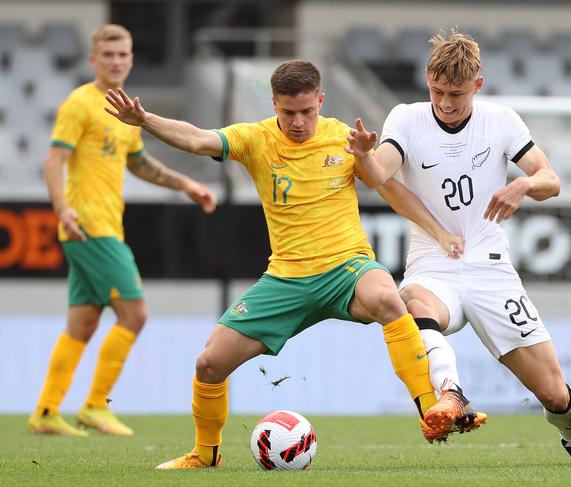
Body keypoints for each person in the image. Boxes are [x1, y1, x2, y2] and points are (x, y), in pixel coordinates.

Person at [104, 59, 486, 469]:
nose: (299, 121)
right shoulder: (256, 139)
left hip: (347, 270)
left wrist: (438, 231)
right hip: (286, 280)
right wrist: (144, 119)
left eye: (308, 111)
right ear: (274, 105)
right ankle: (206, 454)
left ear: (321, 101)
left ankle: (432, 411)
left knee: (389, 298)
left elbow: (387, 187)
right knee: (209, 363)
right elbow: (198, 139)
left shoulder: (345, 138)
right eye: (289, 113)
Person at [346, 30, 571, 465]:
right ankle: (451, 395)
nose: (445, 103)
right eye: (437, 91)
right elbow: (380, 174)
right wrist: (363, 156)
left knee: (552, 390)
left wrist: (524, 184)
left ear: (478, 85)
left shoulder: (501, 121)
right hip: (434, 260)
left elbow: (551, 180)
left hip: (491, 268)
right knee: (412, 301)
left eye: (456, 93)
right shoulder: (406, 118)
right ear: (427, 80)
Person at [27, 24, 217, 437]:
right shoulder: (80, 104)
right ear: (93, 59)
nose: (115, 61)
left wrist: (187, 184)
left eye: (122, 54)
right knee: (135, 314)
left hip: (103, 225)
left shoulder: (125, 110)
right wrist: (63, 209)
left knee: (82, 324)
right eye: (107, 55)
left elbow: (139, 163)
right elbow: (55, 160)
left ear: (132, 59)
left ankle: (45, 411)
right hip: (89, 227)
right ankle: (96, 405)